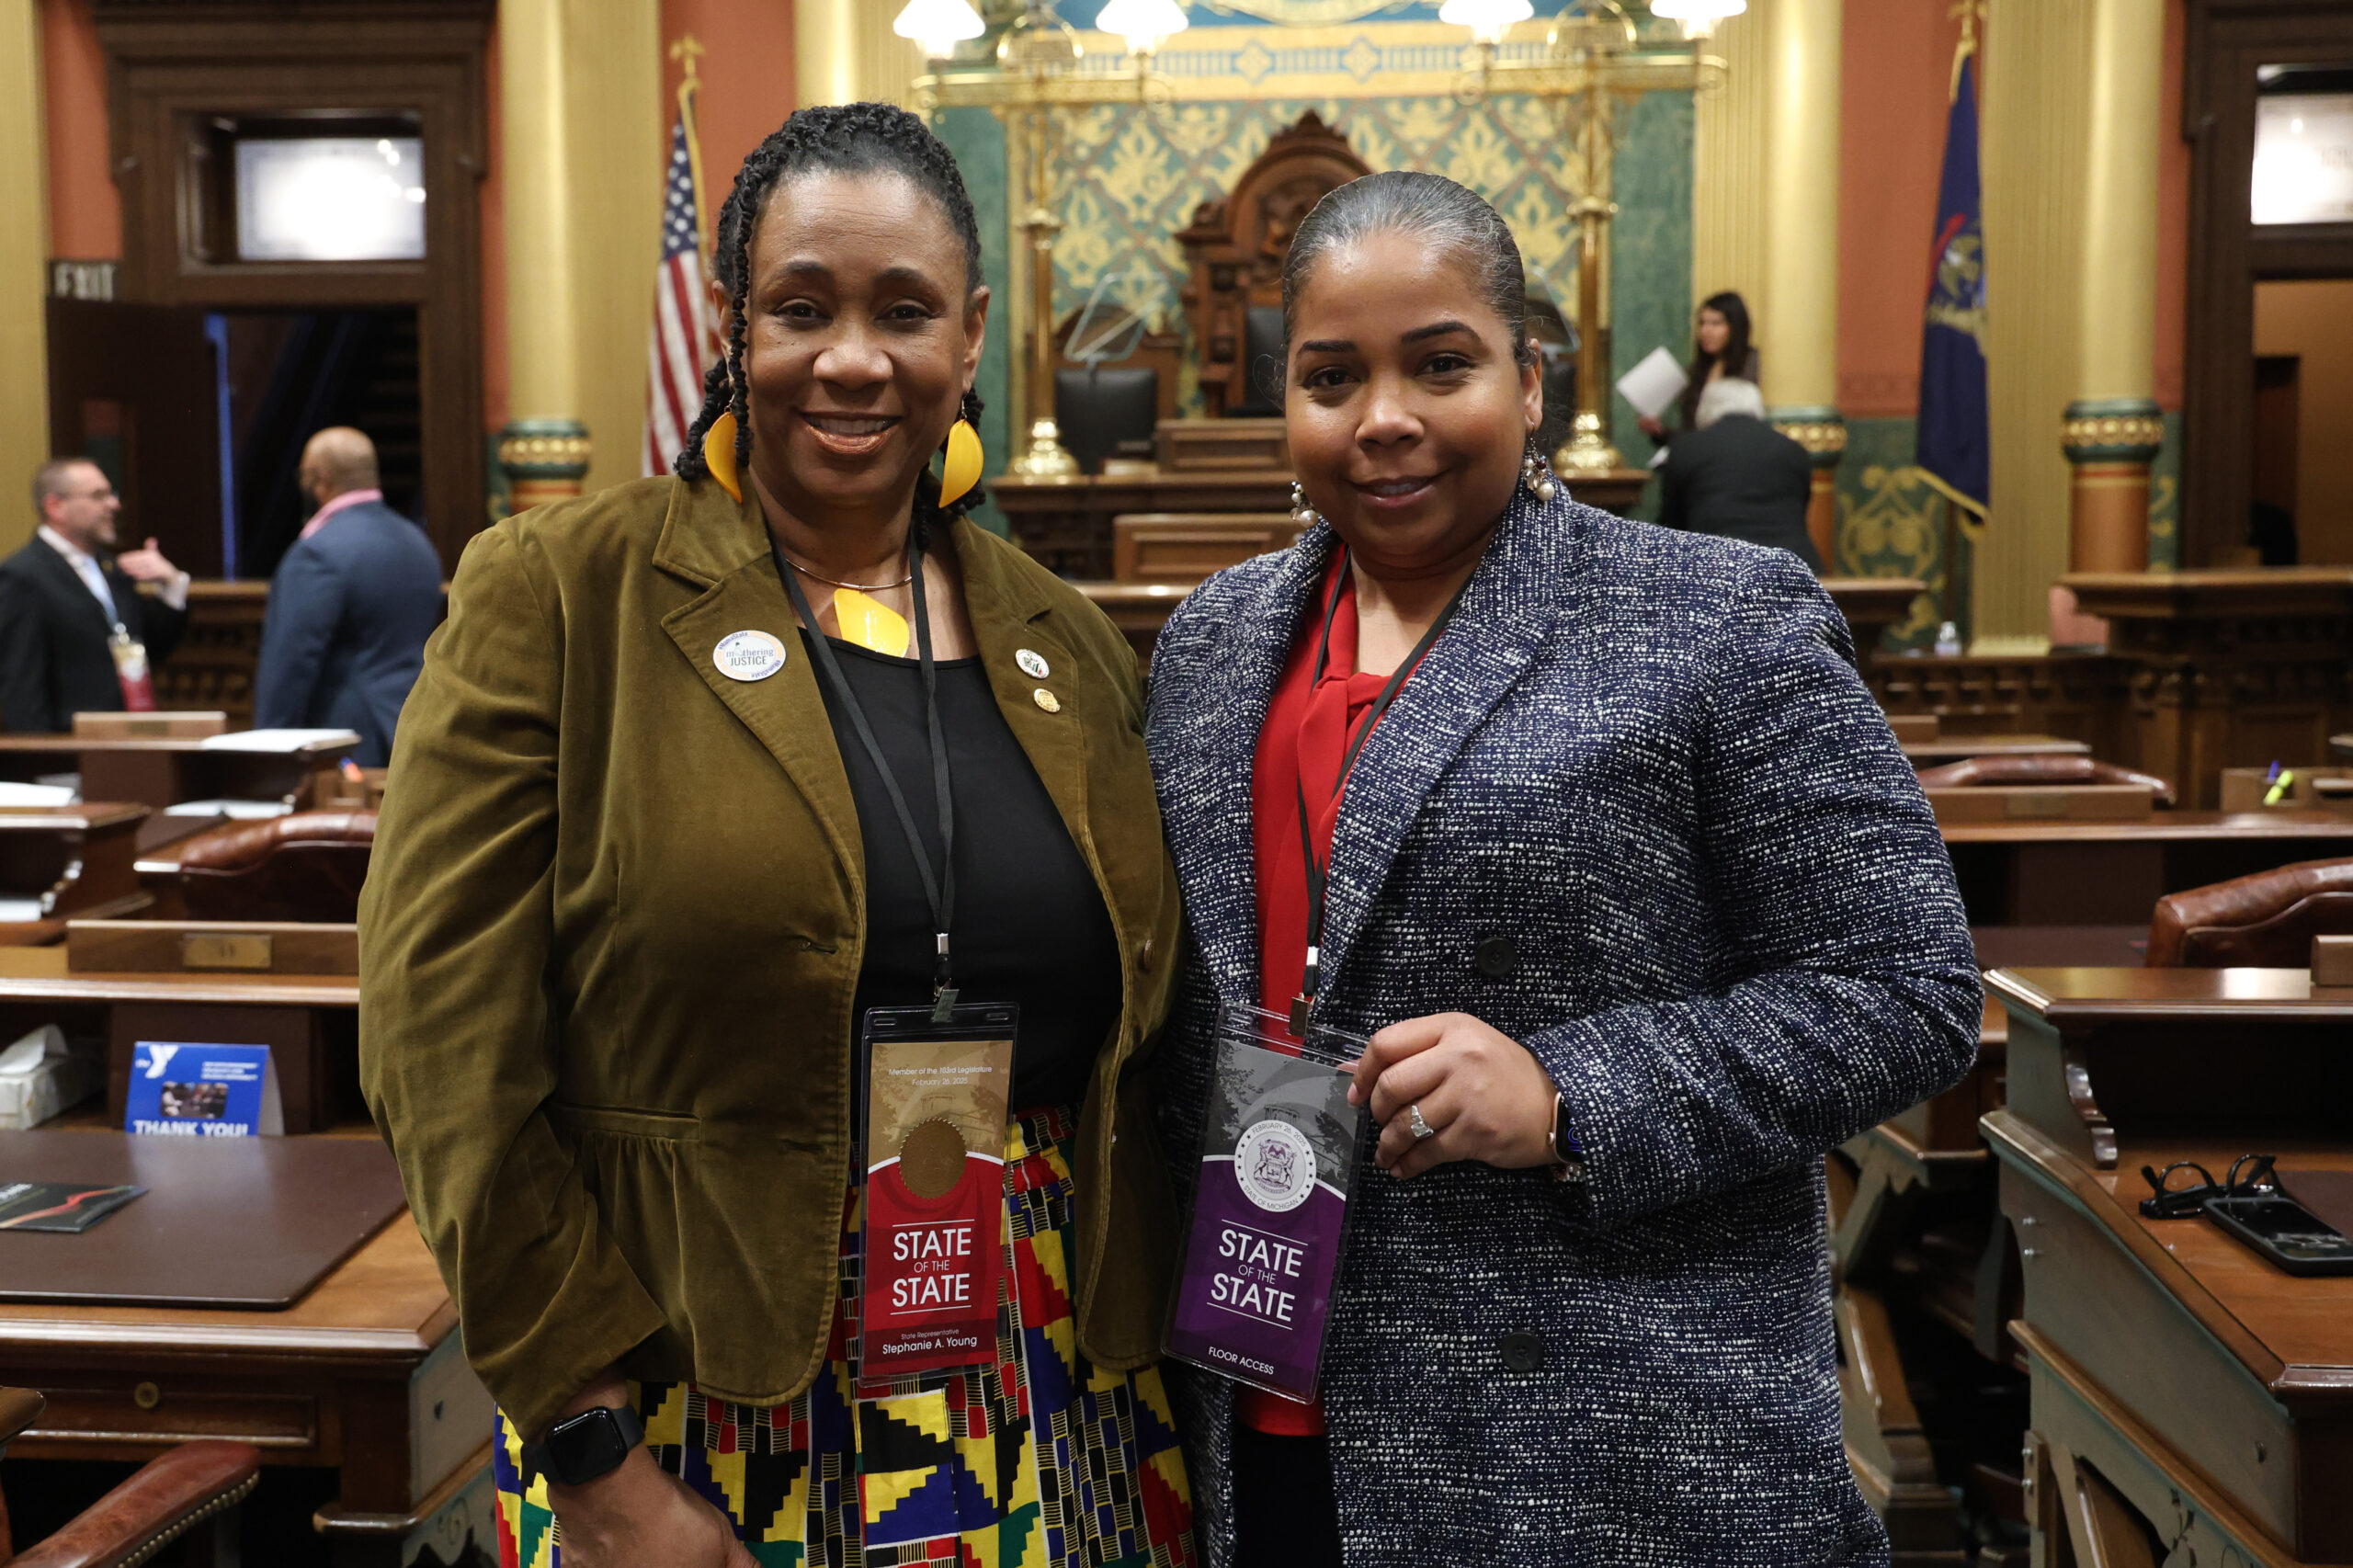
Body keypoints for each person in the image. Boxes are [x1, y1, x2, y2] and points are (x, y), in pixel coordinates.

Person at [358, 103, 1194, 1568]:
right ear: (734, 324)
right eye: (802, 307)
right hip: (690, 1385)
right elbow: (441, 1051)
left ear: (973, 332)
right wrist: (593, 1452)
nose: (853, 357)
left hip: (1048, 1370)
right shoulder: (563, 595)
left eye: (904, 310)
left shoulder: (1061, 633)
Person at [1144, 170, 1978, 1566]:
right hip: (1262, 1397)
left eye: (1442, 363)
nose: (1386, 417)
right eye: (1332, 375)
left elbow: (1906, 988)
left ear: (1531, 382)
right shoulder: (1212, 646)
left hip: (1599, 1436)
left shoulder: (1715, 618)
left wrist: (1568, 1093)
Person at [252, 427, 444, 764]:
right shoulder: (418, 543)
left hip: (348, 743)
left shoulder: (317, 552)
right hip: (415, 730)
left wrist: (267, 754)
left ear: (318, 479)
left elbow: (291, 663)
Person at [0, 459, 189, 733]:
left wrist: (172, 583)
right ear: (56, 507)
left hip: (130, 738)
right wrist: (40, 764)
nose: (113, 504)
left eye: (111, 494)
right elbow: (22, 685)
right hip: (69, 754)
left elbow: (149, 648)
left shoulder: (113, 569)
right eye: (98, 496)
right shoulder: (23, 576)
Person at [1654, 377, 1824, 572]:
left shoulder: (1686, 449)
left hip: (1717, 572)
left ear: (1705, 410)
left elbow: (1671, 525)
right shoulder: (1793, 450)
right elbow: (1801, 512)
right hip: (1795, 570)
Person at [1636, 289, 1757, 449]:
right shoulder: (1696, 371)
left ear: (1735, 326)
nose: (1705, 331)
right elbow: (1692, 434)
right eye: (1702, 323)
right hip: (1701, 459)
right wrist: (1659, 432)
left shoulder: (1751, 364)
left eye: (1716, 323)